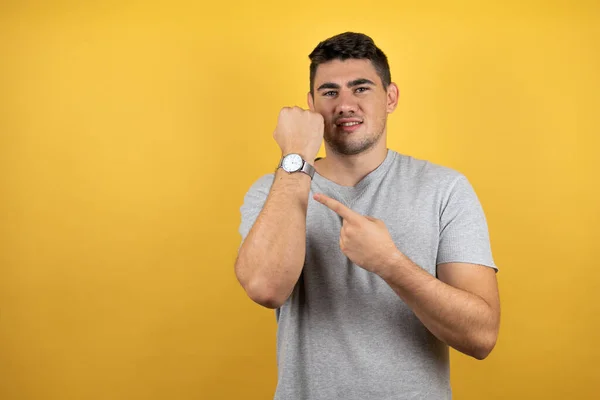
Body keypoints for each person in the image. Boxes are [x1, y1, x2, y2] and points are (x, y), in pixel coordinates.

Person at [234, 31, 500, 400]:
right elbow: (265, 289)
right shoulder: (275, 189)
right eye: (330, 92)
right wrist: (296, 157)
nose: (345, 104)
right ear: (311, 105)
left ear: (390, 97)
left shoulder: (445, 189)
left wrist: (389, 263)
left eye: (361, 88)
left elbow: (481, 337)